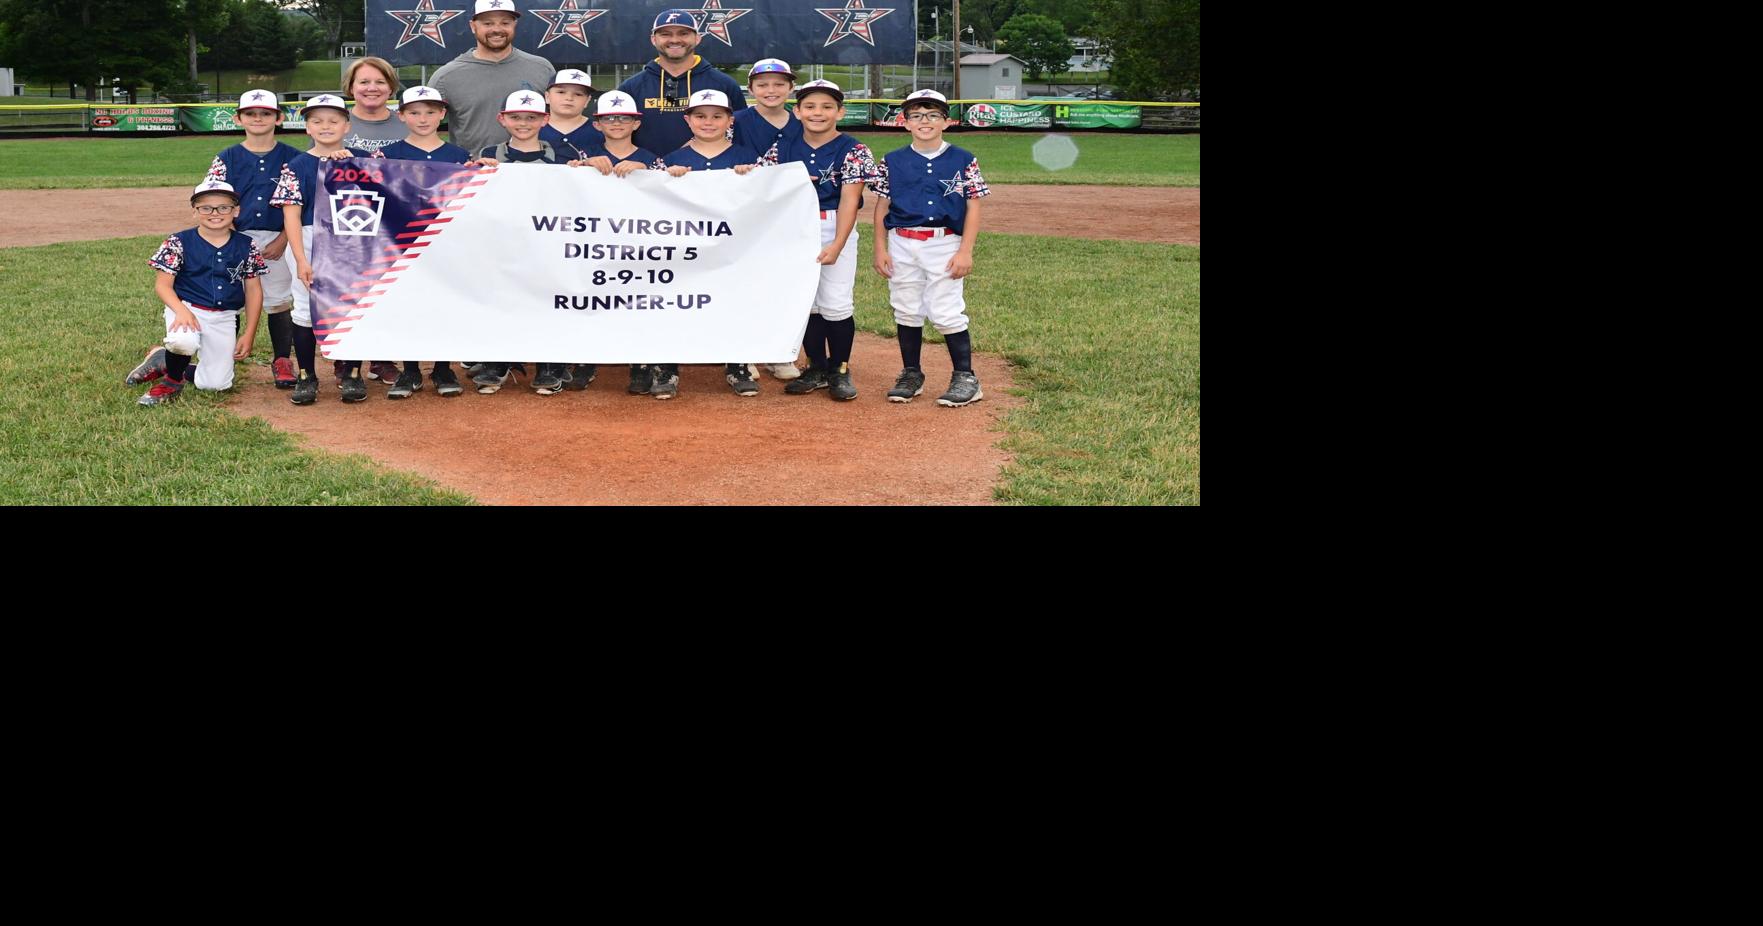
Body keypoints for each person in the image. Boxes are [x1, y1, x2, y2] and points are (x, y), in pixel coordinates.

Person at [870, 90, 989, 407]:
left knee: (946, 309)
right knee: (906, 306)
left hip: (944, 241)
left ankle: (966, 377)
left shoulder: (963, 159)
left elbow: (973, 206)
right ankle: (912, 373)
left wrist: (966, 250)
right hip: (902, 241)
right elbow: (882, 206)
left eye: (933, 115)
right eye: (917, 115)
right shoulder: (892, 160)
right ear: (905, 122)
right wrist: (880, 248)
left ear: (947, 122)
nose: (925, 121)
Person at [762, 80, 877, 401]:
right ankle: (816, 365)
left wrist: (838, 243)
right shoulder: (782, 147)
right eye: (810, 106)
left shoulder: (853, 149)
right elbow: (764, 188)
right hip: (794, 229)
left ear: (840, 111)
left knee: (836, 302)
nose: (818, 113)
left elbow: (849, 201)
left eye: (827, 107)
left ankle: (839, 369)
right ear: (796, 111)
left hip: (832, 225)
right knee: (808, 302)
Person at [268, 94, 375, 405]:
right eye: (317, 121)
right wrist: (300, 259)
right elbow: (291, 214)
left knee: (353, 305)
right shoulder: (297, 165)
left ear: (347, 125)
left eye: (333, 120)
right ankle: (307, 375)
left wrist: (352, 165)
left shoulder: (364, 159)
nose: (325, 126)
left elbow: (395, 188)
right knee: (304, 308)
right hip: (310, 237)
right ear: (307, 128)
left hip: (353, 239)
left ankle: (353, 373)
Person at [655, 88, 760, 399]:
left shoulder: (747, 157)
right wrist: (666, 179)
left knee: (732, 302)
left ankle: (736, 363)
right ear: (688, 120)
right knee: (675, 303)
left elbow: (764, 203)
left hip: (731, 249)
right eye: (700, 116)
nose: (708, 122)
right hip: (684, 250)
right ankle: (668, 365)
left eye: (717, 116)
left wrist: (753, 177)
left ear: (730, 119)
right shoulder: (672, 160)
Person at [375, 85, 474, 399]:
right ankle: (411, 369)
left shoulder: (458, 156)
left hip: (445, 243)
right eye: (415, 112)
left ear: (442, 114)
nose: (423, 118)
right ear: (401, 115)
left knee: (443, 304)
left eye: (431, 111)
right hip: (401, 242)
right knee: (406, 305)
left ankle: (443, 367)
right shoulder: (387, 155)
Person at [129, 180, 266, 406]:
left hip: (224, 315)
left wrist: (249, 333)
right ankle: (172, 381)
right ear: (195, 211)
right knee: (183, 342)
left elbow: (253, 290)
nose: (215, 213)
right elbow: (163, 285)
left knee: (215, 384)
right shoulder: (179, 241)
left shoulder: (247, 245)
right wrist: (181, 311)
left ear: (236, 211)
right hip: (186, 307)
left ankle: (164, 359)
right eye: (206, 208)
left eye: (224, 207)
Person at [200, 90, 301, 389]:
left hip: (277, 238)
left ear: (279, 118)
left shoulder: (293, 157)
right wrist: (228, 239)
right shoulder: (227, 157)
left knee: (279, 301)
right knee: (227, 298)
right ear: (238, 118)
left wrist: (284, 239)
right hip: (234, 237)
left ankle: (282, 359)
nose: (258, 119)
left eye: (266, 113)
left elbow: (302, 203)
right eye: (251, 113)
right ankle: (222, 355)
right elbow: (213, 199)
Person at [471, 90, 569, 396]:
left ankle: (547, 365)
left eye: (531, 117)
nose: (523, 123)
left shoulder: (563, 157)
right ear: (502, 119)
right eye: (515, 117)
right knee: (501, 300)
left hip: (547, 244)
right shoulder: (490, 153)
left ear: (545, 119)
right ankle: (498, 362)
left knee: (545, 302)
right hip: (502, 244)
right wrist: (475, 173)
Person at [565, 89, 660, 393]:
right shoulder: (584, 155)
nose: (617, 122)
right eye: (609, 118)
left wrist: (647, 172)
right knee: (594, 299)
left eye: (624, 118)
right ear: (597, 124)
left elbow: (669, 195)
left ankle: (640, 363)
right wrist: (582, 168)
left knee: (638, 301)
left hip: (639, 244)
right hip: (594, 243)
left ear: (636, 123)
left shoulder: (650, 158)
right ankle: (587, 358)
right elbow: (562, 189)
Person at [732, 57, 805, 383]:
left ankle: (778, 352)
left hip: (790, 214)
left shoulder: (803, 120)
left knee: (783, 284)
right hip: (745, 213)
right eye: (762, 84)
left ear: (791, 87)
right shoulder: (736, 120)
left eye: (779, 83)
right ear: (751, 89)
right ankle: (744, 352)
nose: (771, 90)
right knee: (745, 283)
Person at [429, 0, 555, 157]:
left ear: (514, 24)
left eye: (505, 23)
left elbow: (559, 120)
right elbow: (423, 128)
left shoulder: (541, 68)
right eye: (488, 23)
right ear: (473, 26)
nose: (497, 29)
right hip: (473, 172)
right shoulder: (446, 76)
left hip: (533, 169)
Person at [616, 9, 748, 159]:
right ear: (653, 39)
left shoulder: (724, 84)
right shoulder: (631, 88)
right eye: (665, 34)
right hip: (646, 176)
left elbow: (739, 132)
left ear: (698, 38)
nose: (674, 40)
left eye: (683, 33)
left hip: (708, 176)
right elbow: (613, 134)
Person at [538, 68, 603, 161]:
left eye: (578, 94)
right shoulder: (532, 129)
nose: (569, 98)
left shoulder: (600, 130)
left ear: (587, 101)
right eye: (561, 92)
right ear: (547, 97)